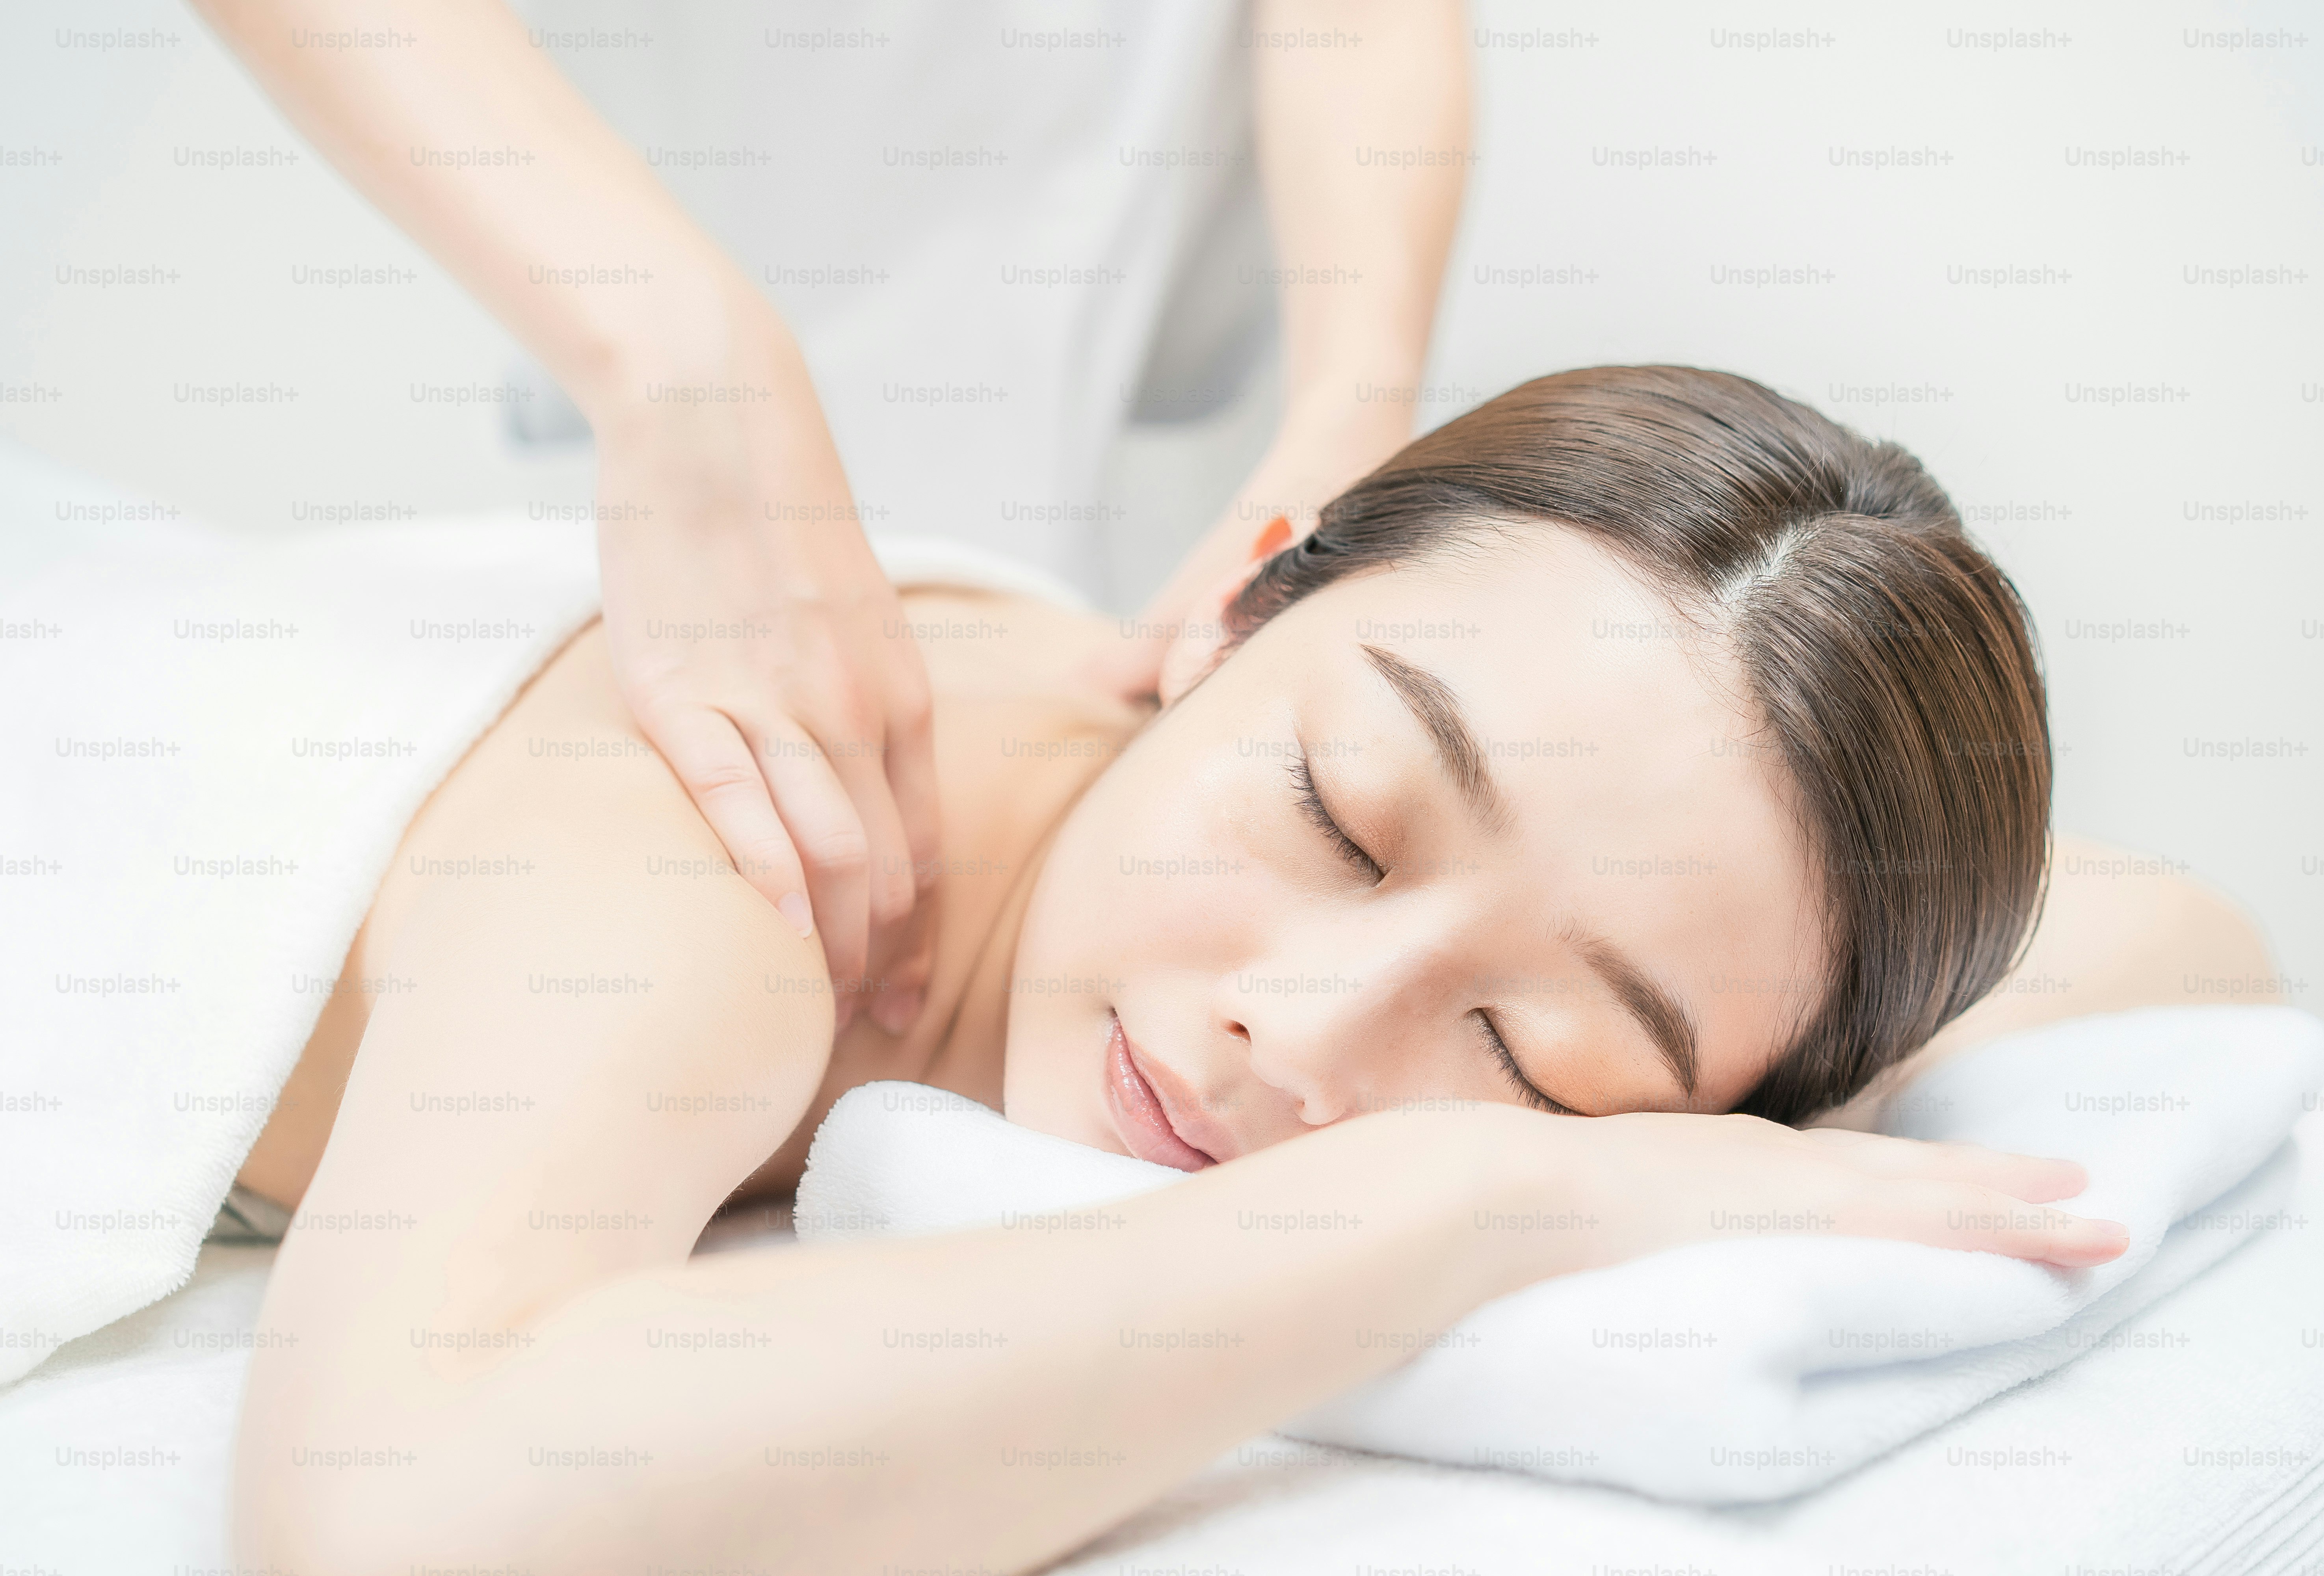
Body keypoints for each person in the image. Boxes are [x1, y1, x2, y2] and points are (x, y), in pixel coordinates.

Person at [220, 367, 2281, 1570]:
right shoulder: (754, 841)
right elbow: (392, 1517)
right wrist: (1481, 1186)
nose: (1296, 1039)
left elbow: (2177, 935)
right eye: (1343, 817)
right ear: (1222, 613)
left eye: (1539, 1048)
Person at [190, 0, 1473, 1041]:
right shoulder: (632, 906)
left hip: (1070, 464)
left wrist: (1354, 411)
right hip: (603, 421)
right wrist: (677, 357)